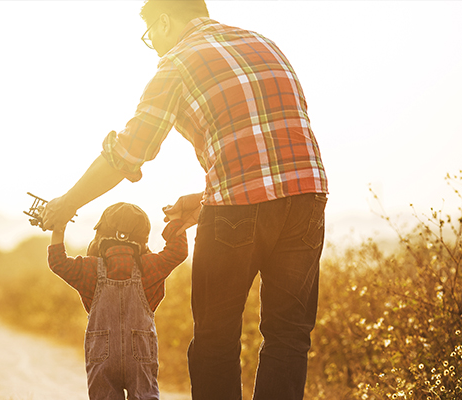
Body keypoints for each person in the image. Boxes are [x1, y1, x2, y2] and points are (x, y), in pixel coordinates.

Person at [42, 1, 328, 398]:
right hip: (308, 197)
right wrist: (206, 198)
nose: (154, 46)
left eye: (151, 35)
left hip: (237, 208)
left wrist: (68, 202)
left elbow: (128, 153)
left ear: (164, 21)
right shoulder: (265, 45)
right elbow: (270, 150)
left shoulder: (177, 63)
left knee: (215, 338)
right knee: (289, 336)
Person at [47, 202, 188, 400]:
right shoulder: (149, 266)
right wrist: (175, 220)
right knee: (144, 396)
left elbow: (58, 262)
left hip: (101, 352)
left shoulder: (90, 269)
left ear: (101, 235)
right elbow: (177, 252)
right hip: (140, 352)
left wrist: (59, 228)